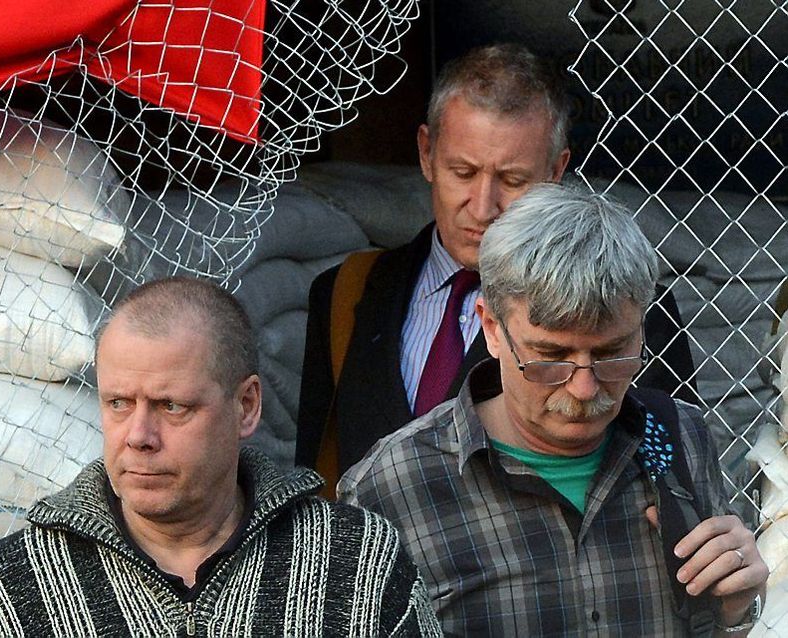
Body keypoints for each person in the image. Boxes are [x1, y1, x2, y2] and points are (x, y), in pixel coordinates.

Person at [339, 184, 767, 636]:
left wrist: (736, 612)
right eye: (551, 358)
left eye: (611, 354)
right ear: (492, 328)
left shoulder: (679, 438)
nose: (583, 389)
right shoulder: (389, 488)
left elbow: (713, 622)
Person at [295, 43, 695, 486]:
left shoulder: (621, 303)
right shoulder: (347, 291)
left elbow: (665, 465)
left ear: (556, 171)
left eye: (513, 180)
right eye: (463, 172)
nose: (484, 207)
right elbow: (317, 467)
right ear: (426, 153)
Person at [0, 277, 439, 637]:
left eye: (172, 406)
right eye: (118, 403)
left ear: (246, 406)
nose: (139, 436)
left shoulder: (354, 562)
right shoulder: (18, 587)